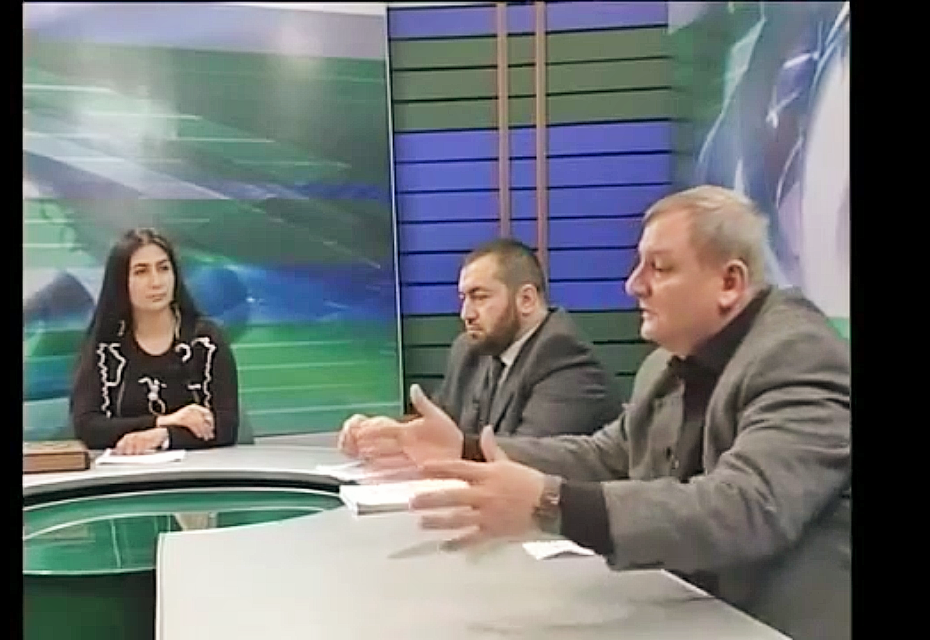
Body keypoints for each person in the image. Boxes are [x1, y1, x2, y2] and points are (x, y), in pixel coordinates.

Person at [341, 186, 851, 640]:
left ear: (730, 282)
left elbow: (747, 507)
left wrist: (551, 503)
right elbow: (607, 455)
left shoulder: (797, 353)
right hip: (686, 609)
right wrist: (464, 449)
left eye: (660, 268)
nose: (633, 285)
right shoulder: (664, 366)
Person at [342, 238, 622, 441]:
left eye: (479, 297)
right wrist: (389, 433)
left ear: (526, 299)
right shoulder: (469, 349)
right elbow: (438, 424)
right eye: (463, 298)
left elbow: (523, 462)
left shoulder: (567, 361)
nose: (466, 314)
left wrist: (444, 448)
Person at [70, 228, 242, 454]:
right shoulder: (105, 345)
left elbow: (225, 427)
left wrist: (162, 436)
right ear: (121, 281)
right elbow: (88, 427)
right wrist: (164, 420)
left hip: (198, 469)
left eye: (163, 268)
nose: (156, 282)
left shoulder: (205, 340)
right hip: (125, 471)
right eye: (141, 272)